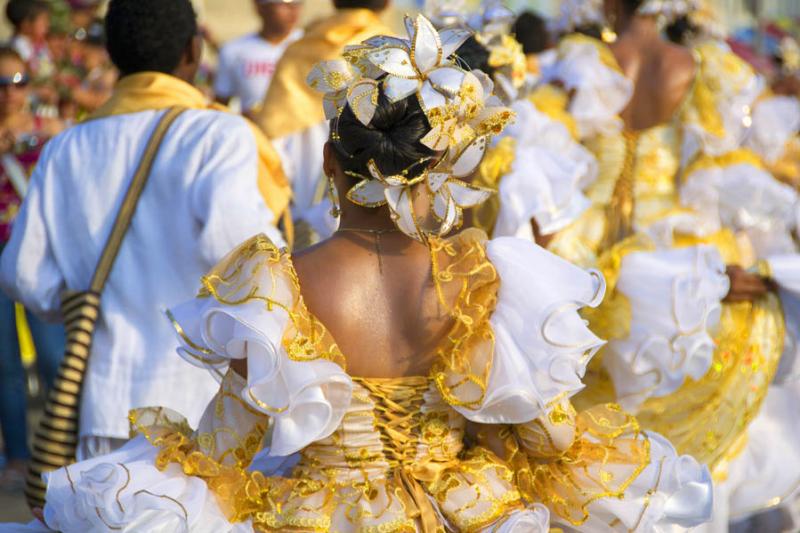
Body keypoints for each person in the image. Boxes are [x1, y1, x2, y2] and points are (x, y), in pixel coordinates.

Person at [4, 14, 716, 532]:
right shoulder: (484, 280)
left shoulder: (284, 286)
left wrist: (112, 494)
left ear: (329, 167)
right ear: (437, 171)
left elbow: (221, 453)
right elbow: (550, 441)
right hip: (469, 515)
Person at [533, 0, 800, 529]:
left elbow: (542, 146)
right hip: (675, 246)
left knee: (591, 399)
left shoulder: (584, 57)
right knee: (679, 373)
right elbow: (714, 169)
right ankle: (681, 506)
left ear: (609, 6)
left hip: (588, 243)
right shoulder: (696, 63)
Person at [0, 0, 291, 461]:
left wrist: (92, 305)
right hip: (203, 406)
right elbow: (243, 253)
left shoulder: (66, 147)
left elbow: (23, 274)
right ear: (193, 51)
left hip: (100, 407)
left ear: (113, 55)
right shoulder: (216, 135)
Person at [255, 0, 391, 248]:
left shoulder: (300, 49)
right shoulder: (396, 54)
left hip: (301, 212)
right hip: (377, 216)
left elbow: (272, 144)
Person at [0, 46, 64, 493]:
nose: (9, 93)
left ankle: (62, 450)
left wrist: (33, 128)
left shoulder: (45, 132)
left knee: (54, 356)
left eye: (18, 82)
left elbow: (70, 134)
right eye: (1, 84)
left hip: (37, 254)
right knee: (5, 365)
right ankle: (19, 457)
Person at [214, 0, 303, 117]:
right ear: (259, 6)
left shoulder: (312, 47)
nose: (293, 9)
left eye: (298, 2)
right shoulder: (233, 50)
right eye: (284, 3)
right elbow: (220, 108)